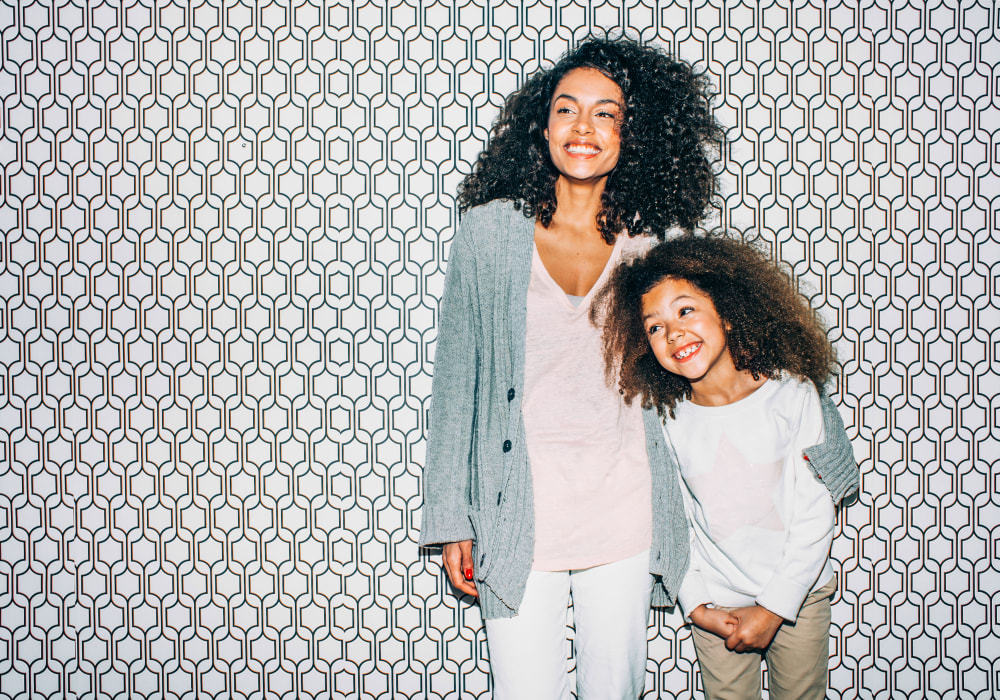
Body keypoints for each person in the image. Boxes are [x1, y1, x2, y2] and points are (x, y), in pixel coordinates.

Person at [418, 36, 854, 698]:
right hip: (514, 510)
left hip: (625, 511)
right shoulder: (488, 231)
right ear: (543, 124)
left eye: (606, 114)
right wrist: (453, 519)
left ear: (631, 134)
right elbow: (458, 381)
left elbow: (736, 325)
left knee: (614, 690)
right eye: (567, 109)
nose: (583, 128)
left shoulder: (657, 239)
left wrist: (817, 420)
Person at [594, 234, 860, 700]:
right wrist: (696, 604)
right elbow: (674, 521)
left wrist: (776, 607)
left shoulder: (793, 395)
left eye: (685, 311)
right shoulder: (665, 419)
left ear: (730, 313)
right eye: (654, 327)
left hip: (799, 594)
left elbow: (816, 512)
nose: (672, 332)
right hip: (718, 606)